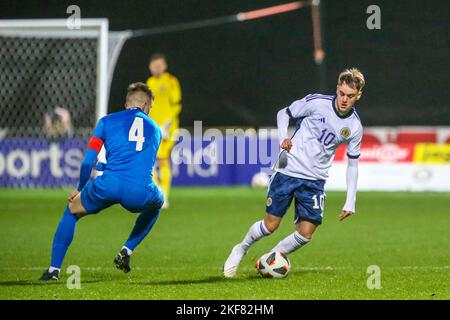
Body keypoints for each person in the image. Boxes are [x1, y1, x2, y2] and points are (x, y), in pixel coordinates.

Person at [223, 68, 365, 278]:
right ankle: (241, 248)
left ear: (358, 96)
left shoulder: (354, 127)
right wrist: (283, 138)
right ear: (337, 89)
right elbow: (284, 113)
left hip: (315, 179)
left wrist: (350, 201)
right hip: (288, 168)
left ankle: (272, 255)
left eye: (350, 96)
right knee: (270, 225)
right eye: (342, 93)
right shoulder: (317, 103)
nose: (344, 99)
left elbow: (353, 164)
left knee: (306, 233)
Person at [40, 82, 163, 280]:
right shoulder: (156, 130)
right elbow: (136, 166)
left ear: (126, 104)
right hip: (138, 192)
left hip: (108, 185)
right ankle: (127, 250)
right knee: (157, 203)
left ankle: (54, 270)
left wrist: (79, 188)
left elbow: (87, 162)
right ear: (146, 105)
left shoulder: (106, 122)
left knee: (71, 212)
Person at [146, 53, 182, 209]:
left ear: (165, 66)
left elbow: (177, 104)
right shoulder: (149, 82)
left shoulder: (171, 81)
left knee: (162, 158)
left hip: (168, 128)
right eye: (154, 65)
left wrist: (167, 123)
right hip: (153, 127)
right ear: (150, 67)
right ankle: (159, 193)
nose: (157, 68)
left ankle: (163, 196)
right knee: (148, 161)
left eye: (160, 65)